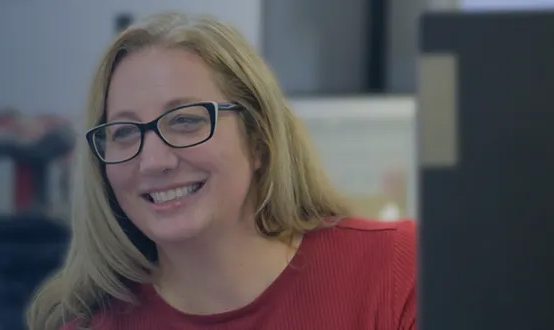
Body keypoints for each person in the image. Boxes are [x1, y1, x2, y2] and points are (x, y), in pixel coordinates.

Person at [28, 12, 416, 330]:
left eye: (185, 121)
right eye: (125, 132)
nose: (154, 161)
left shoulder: (401, 270)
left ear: (259, 140)